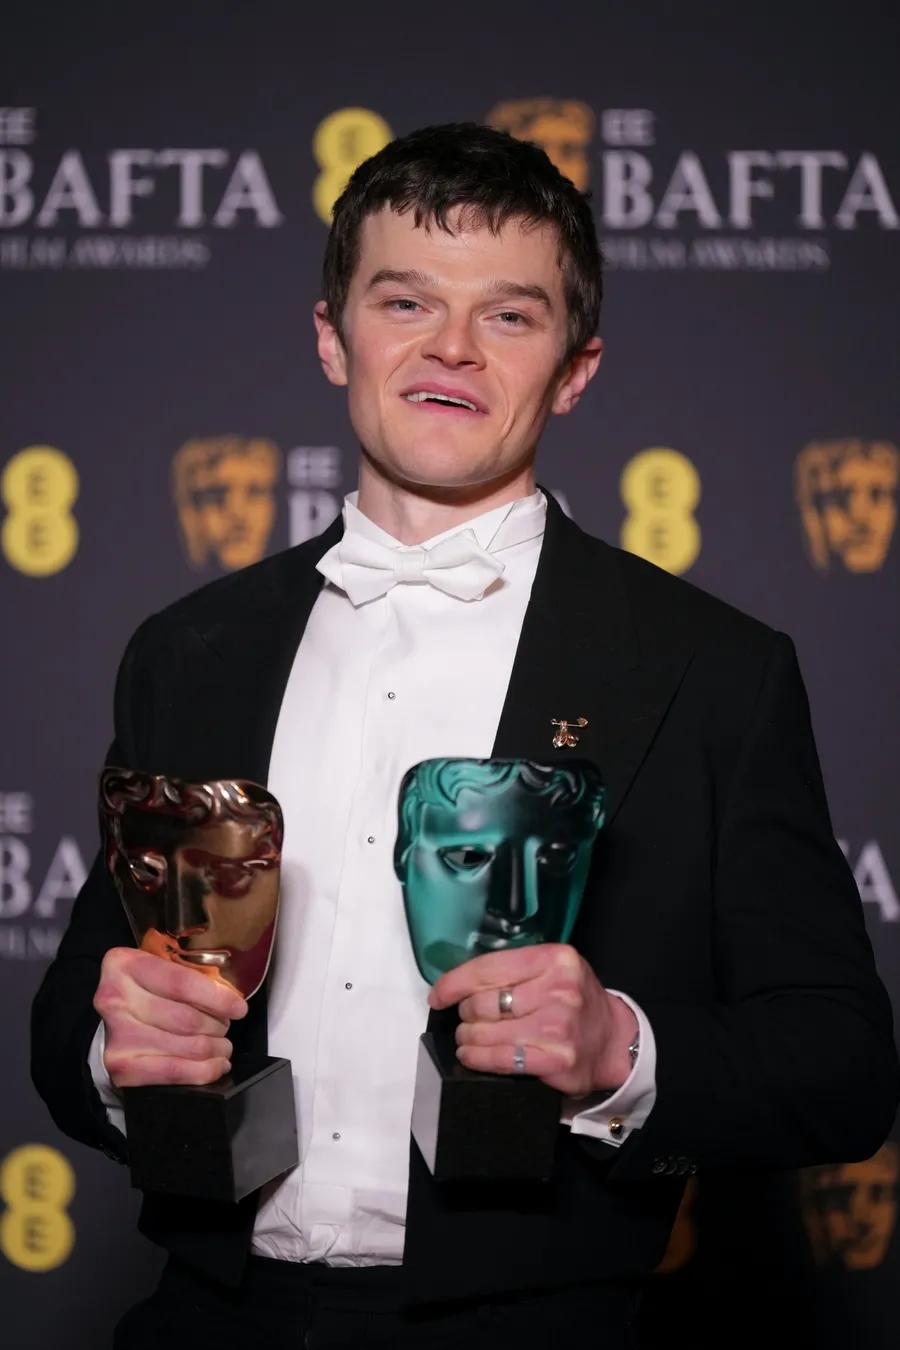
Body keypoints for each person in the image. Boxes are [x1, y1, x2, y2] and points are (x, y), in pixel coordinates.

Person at [31, 123, 898, 1349]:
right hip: (208, 1319)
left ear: (575, 370)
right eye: (406, 301)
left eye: (509, 314)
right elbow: (75, 1015)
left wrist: (619, 1051)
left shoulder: (714, 670)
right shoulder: (188, 650)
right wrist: (116, 1054)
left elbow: (841, 1067)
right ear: (332, 335)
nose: (451, 346)